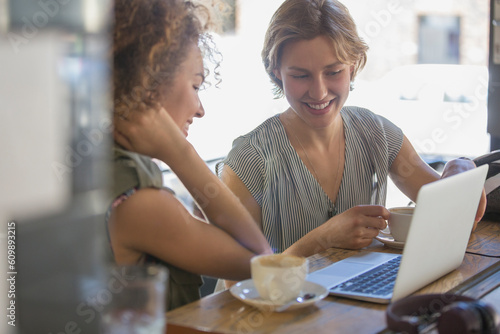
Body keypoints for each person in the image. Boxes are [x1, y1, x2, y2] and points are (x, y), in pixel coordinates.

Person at [216, 0, 486, 257]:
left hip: (354, 304)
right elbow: (235, 282)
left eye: (333, 72)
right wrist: (321, 239)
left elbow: (455, 217)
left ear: (353, 65)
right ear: (276, 71)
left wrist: (462, 167)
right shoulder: (249, 159)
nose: (319, 92)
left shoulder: (378, 134)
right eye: (300, 75)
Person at [110, 0, 272, 311]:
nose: (200, 109)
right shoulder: (138, 203)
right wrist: (180, 153)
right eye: (196, 86)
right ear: (149, 83)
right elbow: (261, 262)